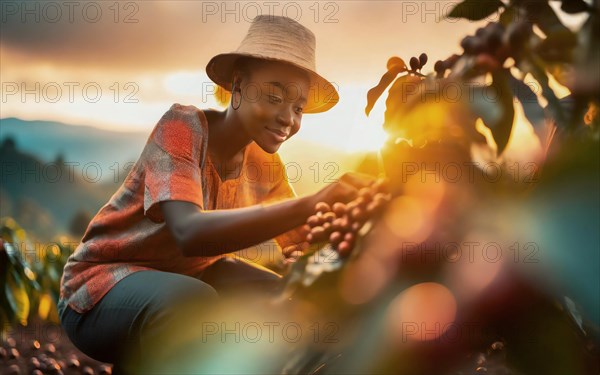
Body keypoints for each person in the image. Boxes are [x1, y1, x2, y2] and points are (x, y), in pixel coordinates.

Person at [57, 15, 376, 373]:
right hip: (97, 293)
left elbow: (305, 243)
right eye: (274, 96)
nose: (288, 118)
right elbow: (189, 234)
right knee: (192, 300)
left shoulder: (267, 167)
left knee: (290, 300)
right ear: (238, 86)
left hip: (185, 283)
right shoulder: (182, 127)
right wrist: (313, 201)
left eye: (298, 108)